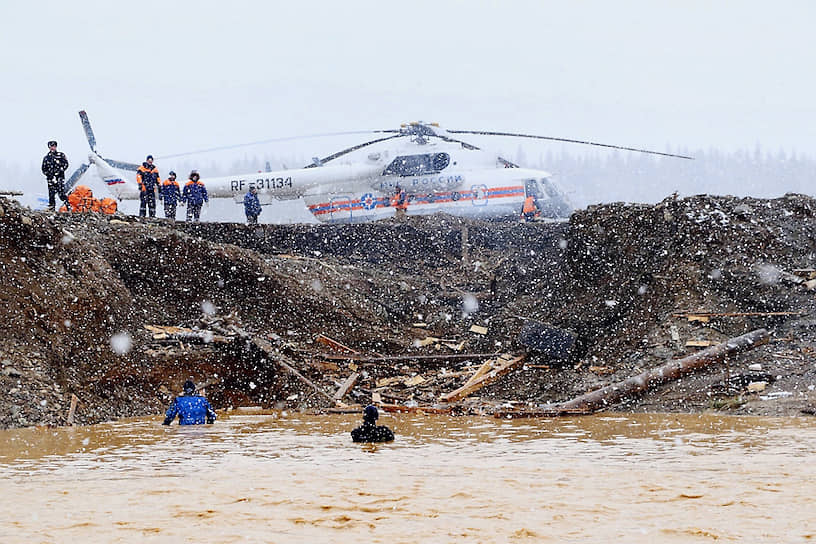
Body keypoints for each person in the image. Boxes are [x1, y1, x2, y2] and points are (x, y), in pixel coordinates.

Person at [41, 140, 69, 211]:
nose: (52, 148)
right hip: (51, 179)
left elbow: (66, 164)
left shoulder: (61, 155)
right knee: (51, 194)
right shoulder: (46, 158)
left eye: (53, 146)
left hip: (59, 178)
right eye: (51, 146)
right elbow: (43, 169)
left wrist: (60, 170)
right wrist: (48, 174)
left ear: (56, 147)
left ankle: (68, 207)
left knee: (61, 193)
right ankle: (52, 209)